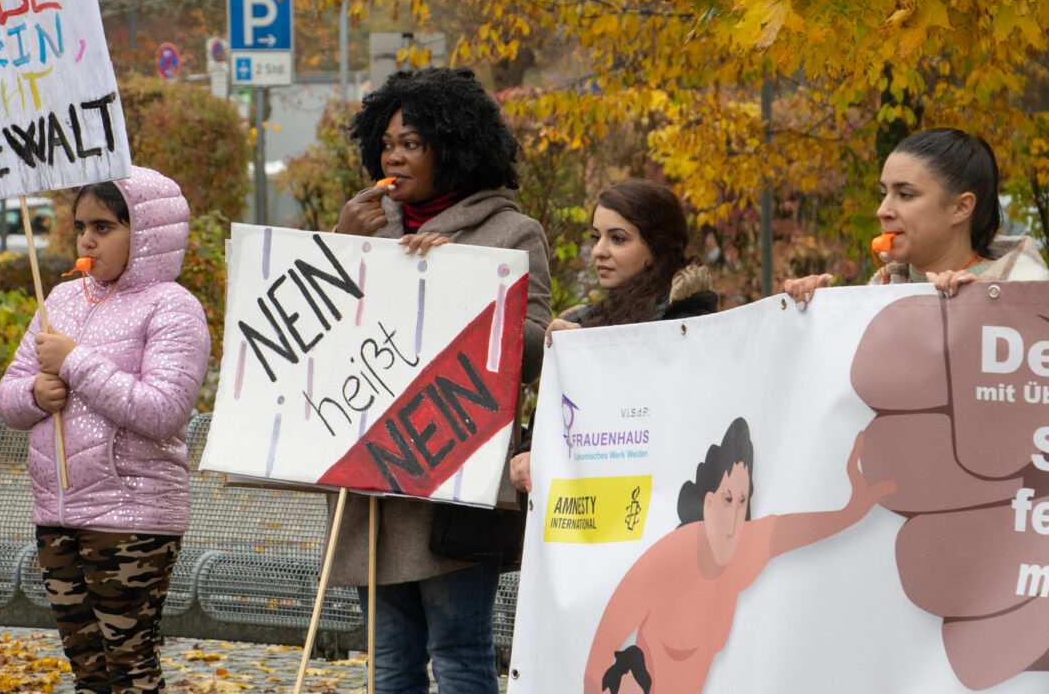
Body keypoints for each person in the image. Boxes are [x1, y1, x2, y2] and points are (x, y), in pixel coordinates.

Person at [329, 66, 553, 694]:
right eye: (387, 142)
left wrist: (463, 284)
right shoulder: (367, 226)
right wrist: (341, 247)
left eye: (412, 143)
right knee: (391, 660)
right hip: (372, 477)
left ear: (454, 148)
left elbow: (536, 353)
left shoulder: (511, 232)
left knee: (458, 653)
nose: (392, 156)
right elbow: (326, 341)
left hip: (451, 477)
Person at [0, 166, 211, 694]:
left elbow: (163, 411)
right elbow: (9, 396)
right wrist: (33, 396)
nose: (87, 239)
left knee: (129, 667)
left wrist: (75, 363)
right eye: (80, 227)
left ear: (147, 232)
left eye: (104, 227)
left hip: (132, 519)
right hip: (59, 513)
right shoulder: (62, 302)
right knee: (87, 670)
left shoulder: (173, 308)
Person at [583, 419, 893, 694]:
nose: (733, 519)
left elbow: (799, 529)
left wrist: (852, 512)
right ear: (707, 503)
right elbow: (597, 661)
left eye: (741, 502)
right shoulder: (668, 558)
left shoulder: (745, 549)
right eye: (727, 498)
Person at [509, 179, 719, 494]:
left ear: (655, 247)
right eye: (596, 237)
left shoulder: (691, 322)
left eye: (618, 239)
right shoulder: (582, 321)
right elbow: (555, 417)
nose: (598, 251)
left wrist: (593, 351)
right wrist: (527, 452)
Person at [784, 127, 1049, 305]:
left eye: (906, 195)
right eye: (883, 193)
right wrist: (816, 315)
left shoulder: (1032, 292)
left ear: (961, 208)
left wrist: (994, 307)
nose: (882, 211)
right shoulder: (876, 292)